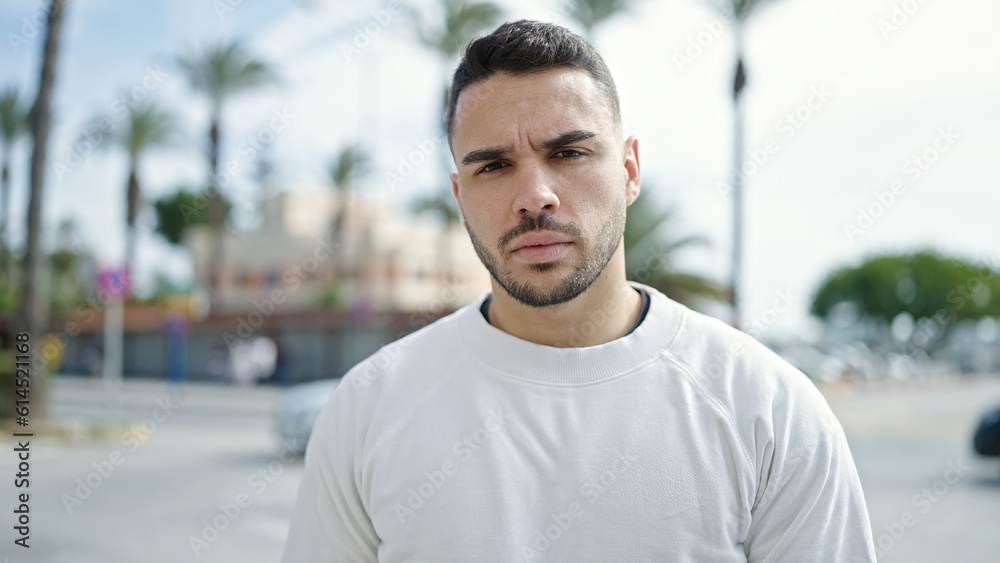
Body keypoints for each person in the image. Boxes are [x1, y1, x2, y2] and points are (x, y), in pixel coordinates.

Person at [281, 20, 876, 562]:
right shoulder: (368, 409)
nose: (534, 194)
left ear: (629, 171)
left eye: (568, 153)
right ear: (460, 198)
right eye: (493, 166)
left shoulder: (768, 410)